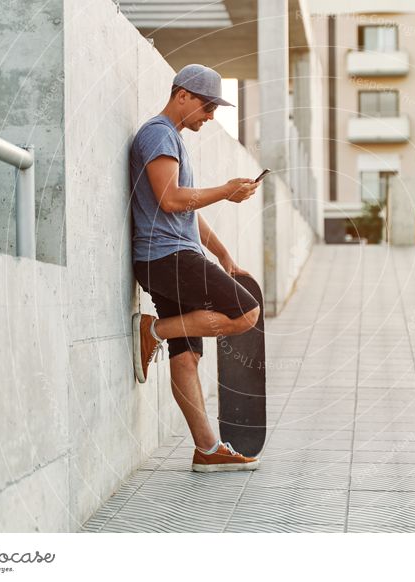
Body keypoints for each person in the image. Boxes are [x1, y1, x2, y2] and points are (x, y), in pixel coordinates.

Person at [129, 64, 261, 472]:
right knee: (245, 313)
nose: (210, 116)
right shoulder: (158, 134)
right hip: (167, 257)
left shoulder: (173, 140)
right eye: (207, 106)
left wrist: (222, 254)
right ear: (182, 95)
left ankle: (207, 449)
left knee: (186, 359)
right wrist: (224, 190)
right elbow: (171, 200)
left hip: (169, 256)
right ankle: (151, 330)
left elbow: (186, 210)